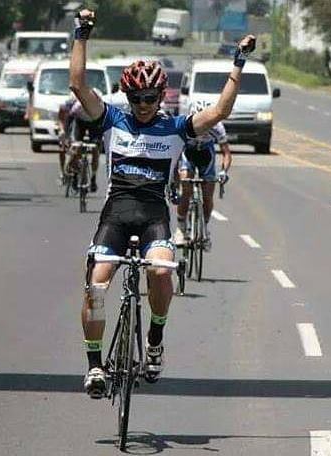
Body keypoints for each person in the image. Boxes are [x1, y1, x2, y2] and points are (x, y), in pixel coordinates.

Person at [69, 9, 256, 398]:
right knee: (96, 287)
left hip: (154, 217)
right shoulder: (111, 120)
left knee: (158, 273)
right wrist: (81, 34)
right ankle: (95, 366)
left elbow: (220, 112)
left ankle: (154, 338)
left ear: (160, 97)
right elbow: (77, 85)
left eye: (149, 98)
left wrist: (238, 64)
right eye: (136, 98)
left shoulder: (175, 128)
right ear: (128, 96)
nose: (142, 105)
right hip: (115, 217)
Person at [174, 101, 232, 251]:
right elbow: (174, 151)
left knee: (207, 196)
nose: (203, 123)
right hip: (189, 153)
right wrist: (175, 174)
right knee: (185, 188)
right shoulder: (185, 124)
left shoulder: (217, 127)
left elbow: (226, 153)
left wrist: (224, 172)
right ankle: (181, 228)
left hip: (206, 154)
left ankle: (204, 228)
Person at [58, 90, 103, 192]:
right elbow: (69, 119)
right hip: (80, 122)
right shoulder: (77, 106)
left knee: (96, 149)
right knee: (77, 147)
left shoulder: (100, 105)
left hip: (95, 123)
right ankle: (74, 174)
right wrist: (65, 134)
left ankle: (93, 178)